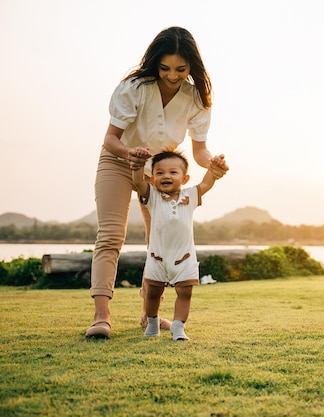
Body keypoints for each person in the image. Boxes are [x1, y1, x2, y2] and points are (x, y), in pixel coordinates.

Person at [85, 27, 229, 339]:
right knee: (111, 235)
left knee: (159, 242)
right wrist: (129, 154)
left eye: (181, 69)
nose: (173, 76)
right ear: (155, 63)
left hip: (160, 173)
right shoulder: (134, 87)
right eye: (165, 68)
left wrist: (213, 164)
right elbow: (111, 139)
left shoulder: (197, 99)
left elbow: (199, 151)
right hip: (118, 160)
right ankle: (101, 316)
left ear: (192, 65)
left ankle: (147, 314)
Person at [132, 149, 223, 341]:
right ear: (153, 178)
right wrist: (138, 165)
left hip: (185, 257)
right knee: (153, 293)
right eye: (160, 172)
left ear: (185, 178)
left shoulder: (190, 196)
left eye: (173, 172)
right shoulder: (153, 197)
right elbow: (138, 182)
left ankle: (178, 327)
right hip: (158, 256)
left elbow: (206, 183)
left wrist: (213, 170)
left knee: (185, 292)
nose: (166, 176)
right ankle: (152, 322)